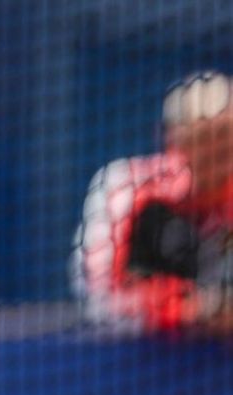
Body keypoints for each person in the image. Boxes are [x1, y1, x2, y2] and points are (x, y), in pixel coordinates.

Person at [71, 70, 233, 336]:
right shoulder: (126, 185)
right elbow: (97, 291)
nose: (216, 148)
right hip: (137, 360)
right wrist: (191, 309)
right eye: (203, 138)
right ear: (171, 139)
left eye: (225, 134)